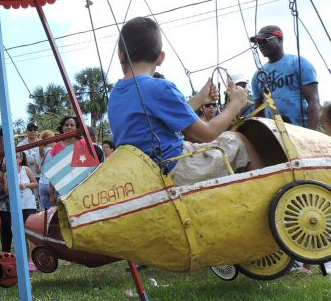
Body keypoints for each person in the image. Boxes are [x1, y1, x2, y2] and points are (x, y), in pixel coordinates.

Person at [108, 17, 257, 184]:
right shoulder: (160, 88)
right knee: (241, 142)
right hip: (172, 167)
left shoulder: (116, 93)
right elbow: (208, 133)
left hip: (143, 169)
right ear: (160, 57)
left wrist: (200, 99)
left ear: (120, 55)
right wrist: (235, 103)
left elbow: (160, 114)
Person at [250, 25, 320, 129]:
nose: (261, 45)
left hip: (300, 131)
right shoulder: (258, 76)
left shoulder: (298, 63)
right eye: (258, 42)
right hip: (274, 135)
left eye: (264, 40)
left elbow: (313, 101)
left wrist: (311, 135)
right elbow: (258, 111)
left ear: (279, 39)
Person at [37, 129, 56, 210]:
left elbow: (37, 170)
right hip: (51, 184)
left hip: (41, 183)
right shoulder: (52, 152)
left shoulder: (38, 152)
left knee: (44, 213)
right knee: (54, 212)